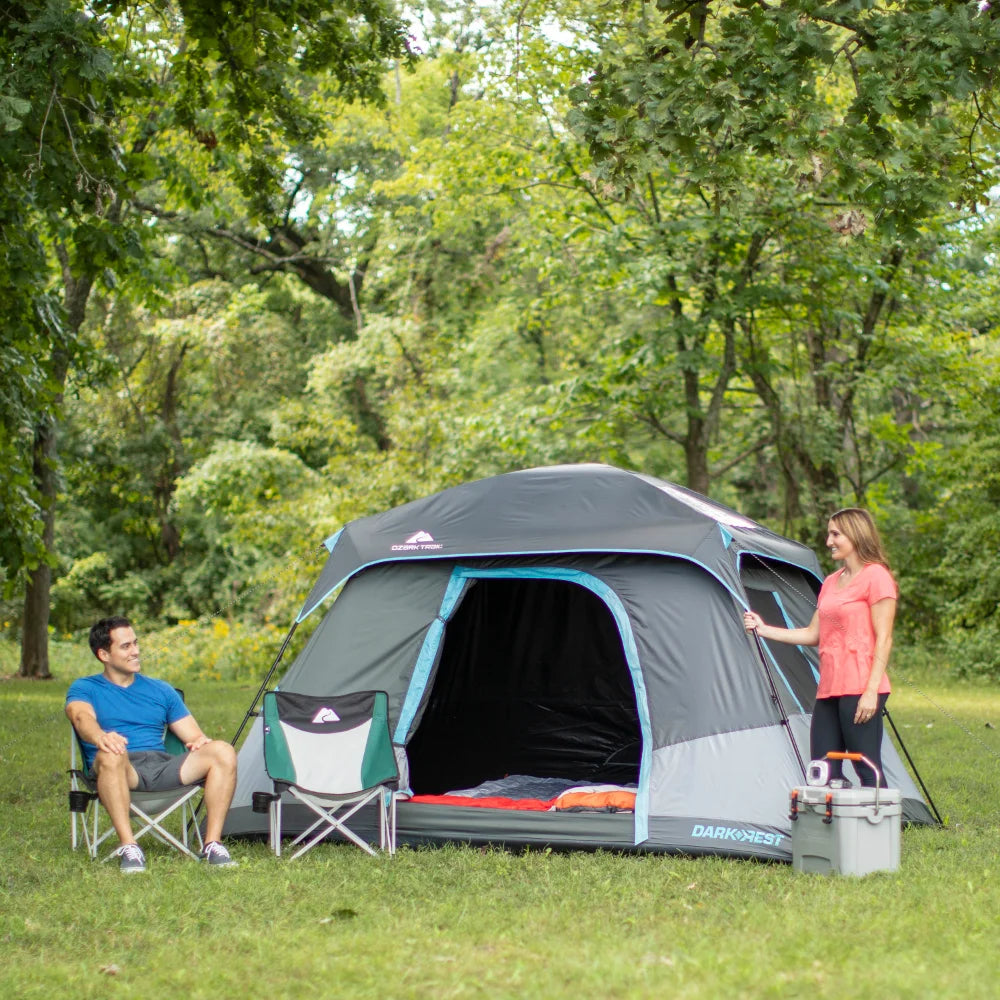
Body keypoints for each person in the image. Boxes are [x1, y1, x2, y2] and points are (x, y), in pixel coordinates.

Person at [66, 616, 239, 872]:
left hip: (162, 766)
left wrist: (200, 742)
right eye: (125, 646)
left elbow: (193, 736)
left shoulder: (161, 690)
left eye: (135, 643)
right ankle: (129, 846)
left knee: (222, 751)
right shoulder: (85, 688)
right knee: (112, 754)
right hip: (121, 768)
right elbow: (81, 718)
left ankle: (212, 844)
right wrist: (102, 737)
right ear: (104, 653)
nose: (136, 651)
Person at [743, 508, 897, 788]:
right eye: (829, 534)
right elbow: (814, 633)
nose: (829, 541)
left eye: (836, 534)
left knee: (865, 765)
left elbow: (884, 638)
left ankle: (880, 827)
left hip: (861, 687)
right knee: (822, 770)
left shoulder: (877, 577)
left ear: (856, 534)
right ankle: (835, 828)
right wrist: (764, 629)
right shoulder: (830, 582)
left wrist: (871, 692)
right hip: (829, 688)